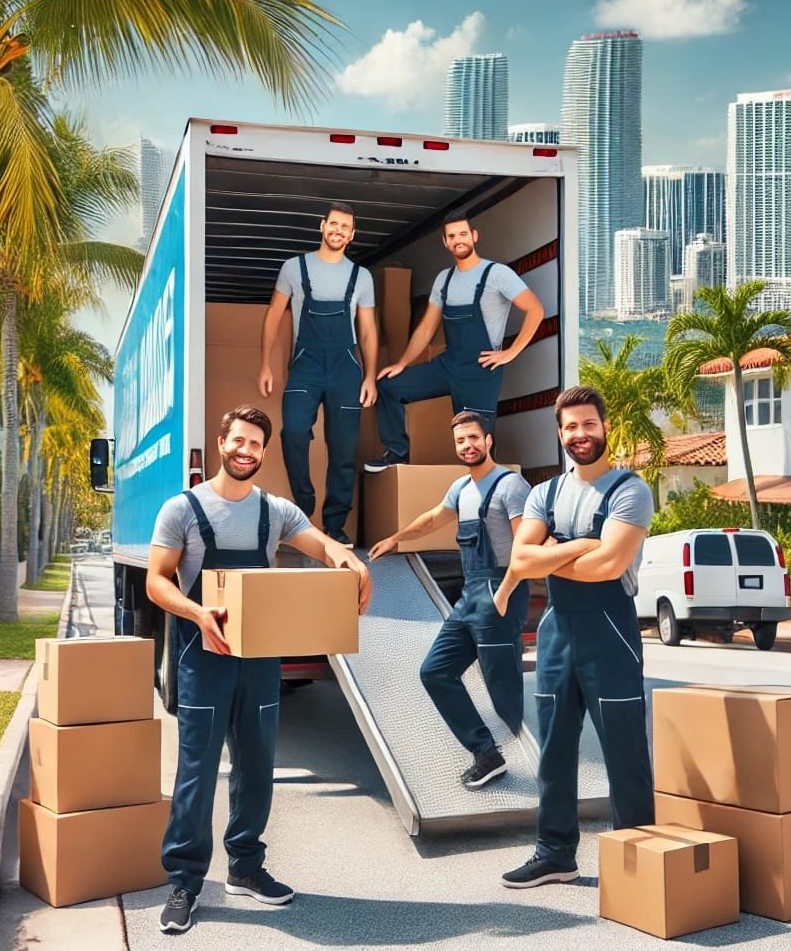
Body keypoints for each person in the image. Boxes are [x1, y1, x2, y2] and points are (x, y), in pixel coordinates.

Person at [146, 405, 371, 934]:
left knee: (256, 766)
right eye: (238, 441)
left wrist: (351, 563)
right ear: (221, 442)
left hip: (259, 657)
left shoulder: (276, 511)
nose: (246, 451)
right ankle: (184, 881)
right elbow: (158, 581)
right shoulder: (182, 509)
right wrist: (197, 613)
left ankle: (245, 867)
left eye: (255, 445)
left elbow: (321, 545)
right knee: (197, 773)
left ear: (263, 452)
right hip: (202, 656)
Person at [490, 386, 655, 889]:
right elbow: (520, 561)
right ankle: (556, 853)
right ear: (559, 433)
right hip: (557, 631)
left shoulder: (630, 490)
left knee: (624, 752)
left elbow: (610, 565)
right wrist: (584, 545)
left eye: (588, 424)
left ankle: (640, 862)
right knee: (555, 750)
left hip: (611, 632)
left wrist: (559, 550)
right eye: (570, 427)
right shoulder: (544, 493)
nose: (579, 434)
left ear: (605, 427)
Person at [369, 411, 531, 787]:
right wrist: (397, 538)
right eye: (460, 440)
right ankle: (486, 753)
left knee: (503, 690)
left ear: (489, 440)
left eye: (473, 438)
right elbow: (432, 519)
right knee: (435, 672)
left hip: (500, 589)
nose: (467, 446)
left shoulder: (511, 485)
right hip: (470, 594)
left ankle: (538, 763)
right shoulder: (461, 489)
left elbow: (526, 547)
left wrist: (504, 594)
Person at [363, 211, 544, 472]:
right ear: (445, 243)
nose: (458, 240)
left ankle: (484, 500)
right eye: (451, 236)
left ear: (474, 236)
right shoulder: (443, 280)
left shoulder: (497, 274)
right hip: (449, 364)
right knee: (389, 386)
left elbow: (535, 309)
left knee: (476, 441)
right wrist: (402, 363)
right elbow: (426, 328)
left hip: (481, 370)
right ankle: (397, 453)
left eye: (463, 234)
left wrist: (510, 352)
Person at [258, 202, 377, 546]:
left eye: (346, 228)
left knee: (343, 450)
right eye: (334, 224)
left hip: (346, 369)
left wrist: (369, 377)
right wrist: (265, 364)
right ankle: (304, 506)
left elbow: (367, 330)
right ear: (322, 226)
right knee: (293, 432)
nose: (338, 231)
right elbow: (273, 315)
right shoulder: (294, 268)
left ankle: (335, 525)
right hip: (306, 365)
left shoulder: (361, 276)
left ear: (352, 235)